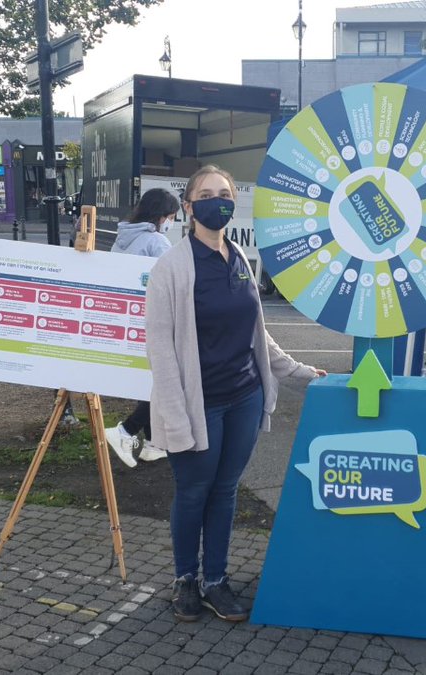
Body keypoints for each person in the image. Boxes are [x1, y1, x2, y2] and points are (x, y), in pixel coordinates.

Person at [145, 165, 325, 623]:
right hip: (197, 405)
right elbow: (160, 352)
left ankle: (215, 580)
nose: (217, 202)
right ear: (188, 207)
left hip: (244, 398)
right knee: (193, 492)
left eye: (224, 194)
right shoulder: (171, 268)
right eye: (206, 195)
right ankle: (186, 579)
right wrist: (175, 420)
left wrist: (298, 371)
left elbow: (256, 330)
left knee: (224, 492)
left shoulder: (240, 257)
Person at [102, 187, 182, 467]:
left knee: (149, 383)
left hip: (127, 319)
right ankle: (125, 431)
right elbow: (173, 282)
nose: (172, 222)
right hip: (153, 320)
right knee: (162, 385)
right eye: (172, 216)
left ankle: (153, 443)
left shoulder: (123, 238)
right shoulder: (156, 242)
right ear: (162, 215)